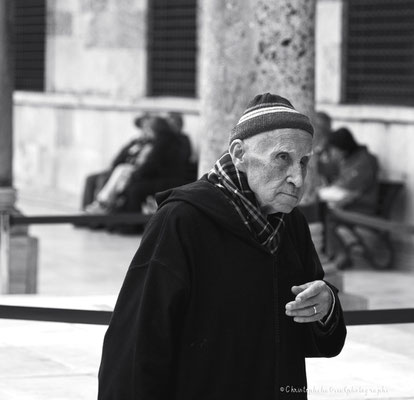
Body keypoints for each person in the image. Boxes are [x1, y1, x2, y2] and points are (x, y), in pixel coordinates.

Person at [98, 93, 347, 399]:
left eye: (304, 161)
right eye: (282, 157)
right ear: (239, 154)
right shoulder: (181, 219)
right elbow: (137, 345)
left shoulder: (291, 223)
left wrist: (326, 306)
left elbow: (307, 338)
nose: (297, 178)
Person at [318, 127, 379, 269]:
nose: (331, 154)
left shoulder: (364, 161)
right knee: (323, 215)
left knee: (327, 218)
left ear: (341, 148)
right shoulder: (348, 158)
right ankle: (334, 253)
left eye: (332, 150)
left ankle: (341, 254)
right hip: (347, 203)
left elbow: (349, 189)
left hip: (362, 207)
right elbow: (325, 168)